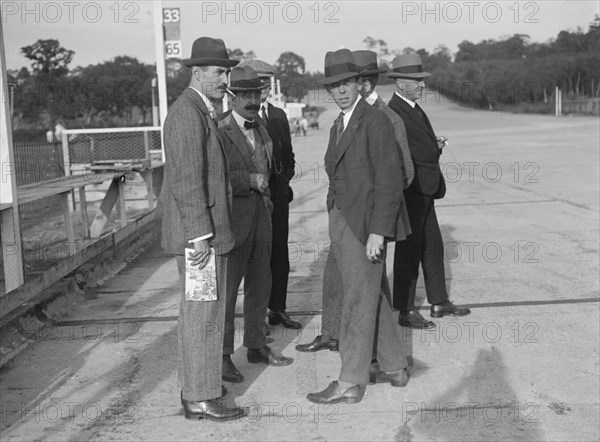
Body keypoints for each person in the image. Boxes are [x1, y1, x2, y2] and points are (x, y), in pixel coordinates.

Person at [306, 49, 409, 405]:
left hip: (366, 226)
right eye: (333, 86)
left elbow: (390, 180)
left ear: (359, 83)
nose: (340, 91)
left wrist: (378, 232)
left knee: (356, 302)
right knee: (369, 296)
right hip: (343, 222)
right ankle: (396, 366)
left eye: (346, 83)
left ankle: (350, 381)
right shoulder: (341, 122)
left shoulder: (375, 120)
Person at [157, 37, 246, 421]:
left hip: (207, 234)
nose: (226, 78)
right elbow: (187, 181)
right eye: (219, 72)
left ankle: (202, 384)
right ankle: (199, 396)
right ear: (197, 73)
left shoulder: (201, 109)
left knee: (207, 313)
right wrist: (199, 237)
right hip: (200, 240)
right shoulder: (186, 114)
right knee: (202, 315)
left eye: (226, 71)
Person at [218, 65, 294, 384]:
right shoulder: (218, 131)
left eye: (255, 93)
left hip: (263, 218)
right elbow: (213, 177)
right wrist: (246, 180)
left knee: (260, 284)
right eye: (244, 95)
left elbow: (276, 165)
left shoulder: (261, 126)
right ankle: (221, 356)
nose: (251, 100)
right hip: (234, 222)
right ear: (231, 98)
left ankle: (256, 345)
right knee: (227, 292)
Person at [387, 53, 471, 329]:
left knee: (432, 245)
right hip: (412, 189)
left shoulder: (412, 107)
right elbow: (411, 150)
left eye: (422, 80)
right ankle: (405, 308)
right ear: (400, 82)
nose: (422, 85)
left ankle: (438, 300)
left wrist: (432, 143)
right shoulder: (395, 111)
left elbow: (419, 143)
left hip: (425, 189)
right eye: (416, 81)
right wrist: (434, 148)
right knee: (409, 249)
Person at [239, 59, 301, 331]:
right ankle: (258, 316)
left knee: (279, 255)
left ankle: (279, 308)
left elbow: (288, 155)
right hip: (252, 200)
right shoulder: (239, 117)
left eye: (266, 82)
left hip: (278, 198)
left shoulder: (278, 115)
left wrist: (284, 181)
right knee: (256, 259)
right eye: (258, 82)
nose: (262, 88)